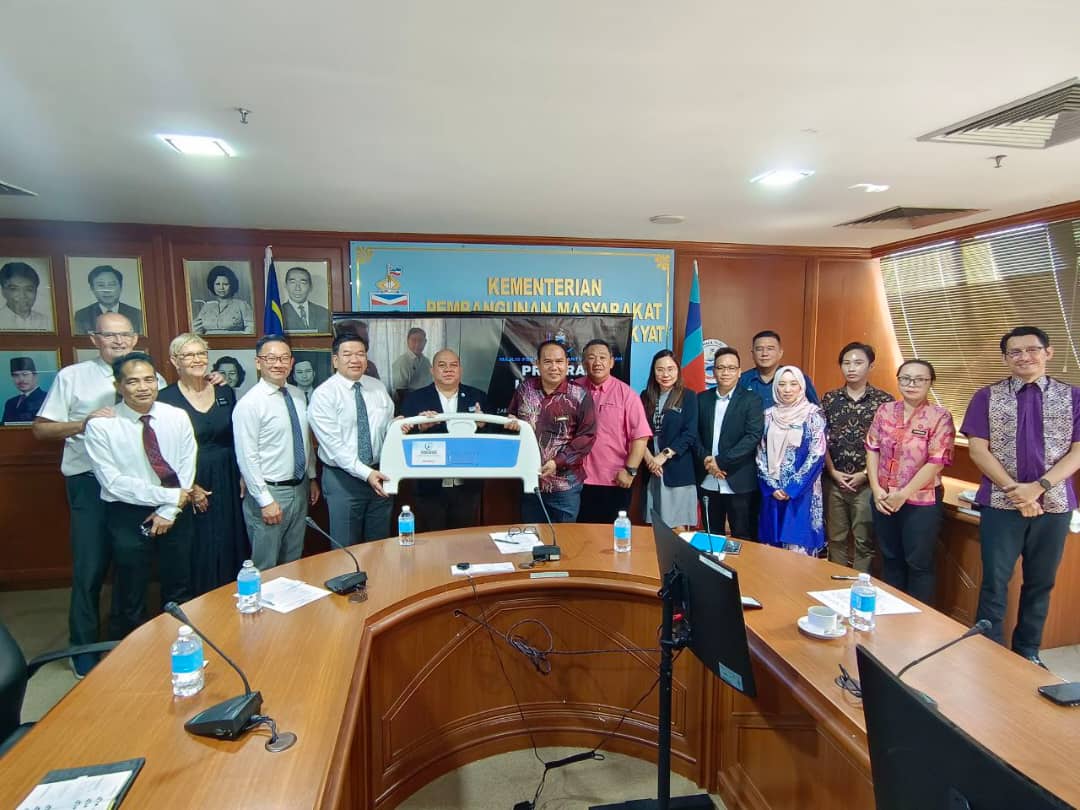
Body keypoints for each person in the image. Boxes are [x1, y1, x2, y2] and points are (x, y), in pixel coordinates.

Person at [33, 313, 163, 677]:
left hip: (135, 486)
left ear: (135, 338)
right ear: (94, 339)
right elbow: (41, 430)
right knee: (89, 567)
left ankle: (127, 640)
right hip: (90, 484)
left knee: (132, 565)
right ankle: (83, 647)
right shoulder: (72, 377)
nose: (119, 341)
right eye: (109, 335)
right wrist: (84, 423)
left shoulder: (151, 375)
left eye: (125, 335)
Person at [962, 327, 1080, 668]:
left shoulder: (1072, 396)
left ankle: (1028, 652)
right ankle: (988, 651)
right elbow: (978, 450)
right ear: (1005, 358)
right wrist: (1017, 492)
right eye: (1015, 352)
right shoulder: (987, 396)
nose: (1024, 357)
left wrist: (1038, 487)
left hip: (1054, 505)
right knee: (995, 581)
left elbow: (1077, 452)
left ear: (1048, 352)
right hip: (1001, 505)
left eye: (1032, 349)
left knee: (1041, 582)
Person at [84, 352, 196, 637]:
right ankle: (132, 649)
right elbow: (112, 482)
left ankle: (182, 644)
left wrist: (169, 510)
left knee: (179, 583)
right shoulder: (102, 426)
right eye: (133, 381)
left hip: (175, 512)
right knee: (130, 589)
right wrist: (168, 498)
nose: (143, 387)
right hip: (128, 514)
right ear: (118, 386)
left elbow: (187, 463)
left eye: (149, 379)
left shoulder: (176, 416)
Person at [158, 333, 249, 596]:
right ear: (175, 360)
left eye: (201, 354)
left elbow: (236, 436)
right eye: (189, 355)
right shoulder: (164, 398)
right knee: (198, 543)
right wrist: (190, 487)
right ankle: (200, 603)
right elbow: (162, 452)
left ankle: (230, 597)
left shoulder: (224, 391)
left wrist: (243, 474)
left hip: (228, 475)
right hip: (189, 478)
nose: (197, 360)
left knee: (229, 537)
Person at [866, 360, 955, 603]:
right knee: (890, 558)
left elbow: (937, 461)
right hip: (884, 498)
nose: (911, 384)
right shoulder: (885, 410)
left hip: (920, 501)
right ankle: (890, 613)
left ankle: (918, 620)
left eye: (919, 379)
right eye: (905, 378)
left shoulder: (940, 416)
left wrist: (903, 494)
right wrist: (876, 489)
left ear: (930, 382)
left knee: (918, 563)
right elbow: (872, 448)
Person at [233, 335, 319, 570]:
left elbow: (303, 439)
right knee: (266, 565)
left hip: (300, 488)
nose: (278, 364)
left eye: (284, 358)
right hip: (270, 492)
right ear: (258, 362)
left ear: (291, 362)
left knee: (293, 561)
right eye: (271, 358)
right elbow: (247, 457)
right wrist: (264, 500)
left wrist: (311, 477)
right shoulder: (250, 404)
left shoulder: (298, 395)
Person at [309, 333, 394, 543]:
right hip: (343, 480)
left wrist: (400, 425)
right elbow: (335, 448)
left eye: (360, 354)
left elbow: (385, 428)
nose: (355, 360)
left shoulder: (377, 387)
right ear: (335, 360)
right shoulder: (324, 395)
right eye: (347, 354)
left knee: (379, 544)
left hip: (380, 475)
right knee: (346, 547)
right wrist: (367, 474)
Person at [821, 342, 894, 571]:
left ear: (870, 366)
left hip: (867, 483)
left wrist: (865, 475)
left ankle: (860, 587)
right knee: (835, 538)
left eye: (858, 363)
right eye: (846, 363)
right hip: (834, 480)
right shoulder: (830, 398)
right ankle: (834, 584)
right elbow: (820, 439)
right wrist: (832, 471)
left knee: (864, 541)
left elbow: (889, 445)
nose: (851, 368)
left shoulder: (884, 401)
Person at [507, 340, 596, 523]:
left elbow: (586, 436)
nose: (554, 367)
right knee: (532, 535)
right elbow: (512, 417)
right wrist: (511, 423)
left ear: (567, 364)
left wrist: (557, 462)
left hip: (565, 487)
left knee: (564, 538)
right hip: (530, 483)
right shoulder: (525, 389)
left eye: (559, 361)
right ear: (538, 364)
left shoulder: (579, 395)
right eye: (547, 362)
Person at [400, 348, 489, 530]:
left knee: (462, 538)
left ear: (460, 370)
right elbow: (402, 437)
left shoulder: (478, 397)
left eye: (453, 365)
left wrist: (483, 424)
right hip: (429, 486)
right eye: (442, 365)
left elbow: (494, 435)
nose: (448, 369)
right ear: (432, 371)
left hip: (467, 486)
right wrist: (420, 428)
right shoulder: (415, 399)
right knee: (433, 539)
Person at [575, 339, 651, 524]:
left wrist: (630, 471)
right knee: (578, 534)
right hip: (576, 480)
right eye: (591, 357)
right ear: (584, 363)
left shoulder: (627, 394)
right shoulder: (573, 390)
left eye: (602, 357)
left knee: (611, 535)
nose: (597, 362)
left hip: (614, 479)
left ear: (611, 362)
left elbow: (640, 437)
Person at [756, 366, 827, 555]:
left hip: (802, 493)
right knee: (771, 549)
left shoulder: (813, 415)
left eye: (793, 384)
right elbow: (760, 453)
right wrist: (772, 486)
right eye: (782, 384)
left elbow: (817, 454)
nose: (787, 389)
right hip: (773, 492)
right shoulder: (768, 415)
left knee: (798, 548)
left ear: (801, 386)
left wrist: (792, 487)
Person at [697, 348, 764, 539]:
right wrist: (707, 460)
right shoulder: (702, 399)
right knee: (711, 537)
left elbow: (752, 436)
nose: (725, 372)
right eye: (720, 368)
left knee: (743, 537)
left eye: (731, 368)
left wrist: (720, 461)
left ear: (739, 371)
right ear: (713, 371)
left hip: (738, 479)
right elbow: (694, 435)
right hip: (707, 478)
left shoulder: (752, 400)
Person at [641, 350, 699, 532]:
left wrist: (663, 456)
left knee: (677, 527)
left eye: (670, 369)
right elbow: (638, 431)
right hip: (652, 469)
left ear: (678, 371)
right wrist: (650, 459)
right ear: (653, 372)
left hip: (677, 467)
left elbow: (690, 433)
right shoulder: (645, 396)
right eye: (660, 369)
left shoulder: (688, 396)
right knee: (655, 527)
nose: (665, 374)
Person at [739, 330, 819, 408]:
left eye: (770, 349)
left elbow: (816, 411)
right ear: (753, 354)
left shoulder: (798, 378)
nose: (764, 353)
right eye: (759, 349)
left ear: (780, 353)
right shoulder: (741, 380)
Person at [72, 265, 143, 335]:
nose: (107, 290)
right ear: (92, 289)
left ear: (121, 287)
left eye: (111, 284)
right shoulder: (82, 316)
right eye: (101, 285)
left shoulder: (137, 314)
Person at [193, 265, 254, 334]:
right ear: (212, 285)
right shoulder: (206, 307)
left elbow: (251, 329)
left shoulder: (242, 305)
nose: (221, 288)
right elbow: (197, 331)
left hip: (235, 341)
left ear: (232, 285)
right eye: (217, 284)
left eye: (225, 284)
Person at [0, 261, 51, 331]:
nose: (22, 296)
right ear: (3, 291)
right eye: (14, 289)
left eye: (29, 289)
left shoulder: (46, 321)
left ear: (36, 291)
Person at [281, 266, 330, 333]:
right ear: (285, 285)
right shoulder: (279, 313)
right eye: (292, 282)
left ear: (310, 287)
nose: (297, 288)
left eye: (303, 283)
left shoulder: (324, 313)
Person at [3, 356, 47, 425]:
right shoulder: (10, 403)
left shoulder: (47, 399)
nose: (21, 379)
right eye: (16, 375)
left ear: (35, 376)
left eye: (25, 374)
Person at [392, 327, 432, 398]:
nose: (417, 344)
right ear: (408, 341)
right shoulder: (401, 362)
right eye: (414, 340)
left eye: (420, 340)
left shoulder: (427, 361)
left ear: (425, 342)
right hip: (409, 401)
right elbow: (400, 391)